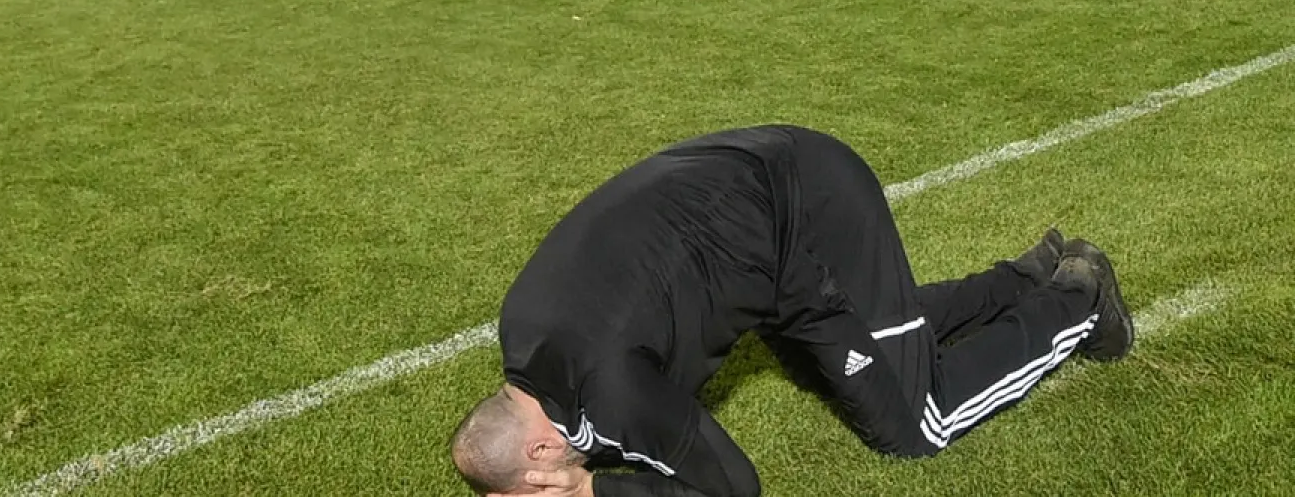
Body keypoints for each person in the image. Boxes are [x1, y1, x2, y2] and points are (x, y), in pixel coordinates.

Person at [450, 126, 1133, 496]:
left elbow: (732, 487)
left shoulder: (612, 391)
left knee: (916, 421)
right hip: (739, 198)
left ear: (539, 451)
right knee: (830, 369)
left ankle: (1079, 299)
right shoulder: (520, 329)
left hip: (811, 208)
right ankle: (1023, 277)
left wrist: (590, 495)